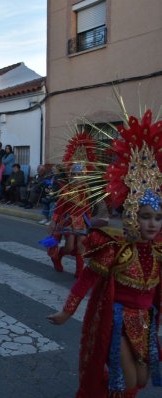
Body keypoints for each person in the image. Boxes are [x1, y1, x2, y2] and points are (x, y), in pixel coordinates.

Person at [47, 109, 162, 398]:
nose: (152, 224)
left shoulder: (160, 251)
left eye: (158, 218)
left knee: (143, 377)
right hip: (118, 319)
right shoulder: (115, 248)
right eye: (146, 216)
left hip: (146, 321)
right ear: (134, 216)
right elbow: (87, 279)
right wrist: (66, 311)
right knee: (129, 378)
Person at [48, 132, 97, 277]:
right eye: (76, 176)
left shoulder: (86, 190)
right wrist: (53, 221)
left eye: (81, 176)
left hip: (82, 221)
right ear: (70, 176)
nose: (78, 179)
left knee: (81, 245)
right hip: (69, 221)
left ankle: (79, 272)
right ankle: (58, 256)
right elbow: (59, 207)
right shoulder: (67, 191)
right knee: (69, 247)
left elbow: (88, 206)